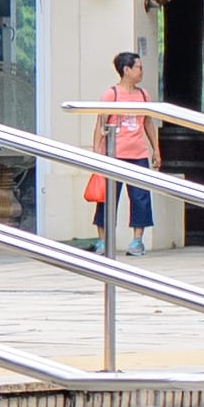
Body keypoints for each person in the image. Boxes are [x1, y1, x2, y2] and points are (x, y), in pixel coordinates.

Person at [83, 47, 161, 254]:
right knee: (107, 197)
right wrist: (97, 152)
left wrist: (156, 149)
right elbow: (100, 124)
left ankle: (137, 240)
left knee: (140, 197)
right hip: (113, 154)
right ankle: (103, 240)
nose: (141, 71)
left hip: (138, 154)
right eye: (138, 68)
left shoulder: (143, 95)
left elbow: (148, 124)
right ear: (126, 70)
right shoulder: (111, 95)